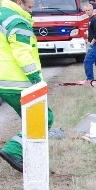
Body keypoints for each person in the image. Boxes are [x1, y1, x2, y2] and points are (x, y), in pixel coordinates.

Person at [0, 0, 55, 172]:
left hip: (4, 80)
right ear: (18, 1)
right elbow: (22, 53)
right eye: (30, 6)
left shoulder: (3, 15)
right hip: (16, 83)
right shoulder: (17, 20)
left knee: (32, 121)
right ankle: (13, 151)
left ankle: (29, 157)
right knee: (44, 118)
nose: (32, 9)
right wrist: (37, 80)